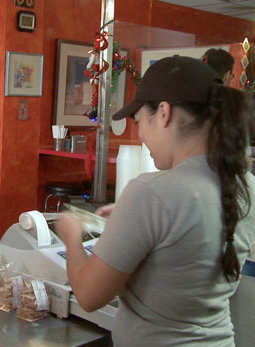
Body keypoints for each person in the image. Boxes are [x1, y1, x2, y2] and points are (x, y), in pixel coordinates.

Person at [55, 56, 255, 346]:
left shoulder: (151, 192)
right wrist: (130, 220)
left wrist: (71, 236)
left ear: (163, 113)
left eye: (139, 122)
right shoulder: (245, 184)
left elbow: (88, 295)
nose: (142, 135)